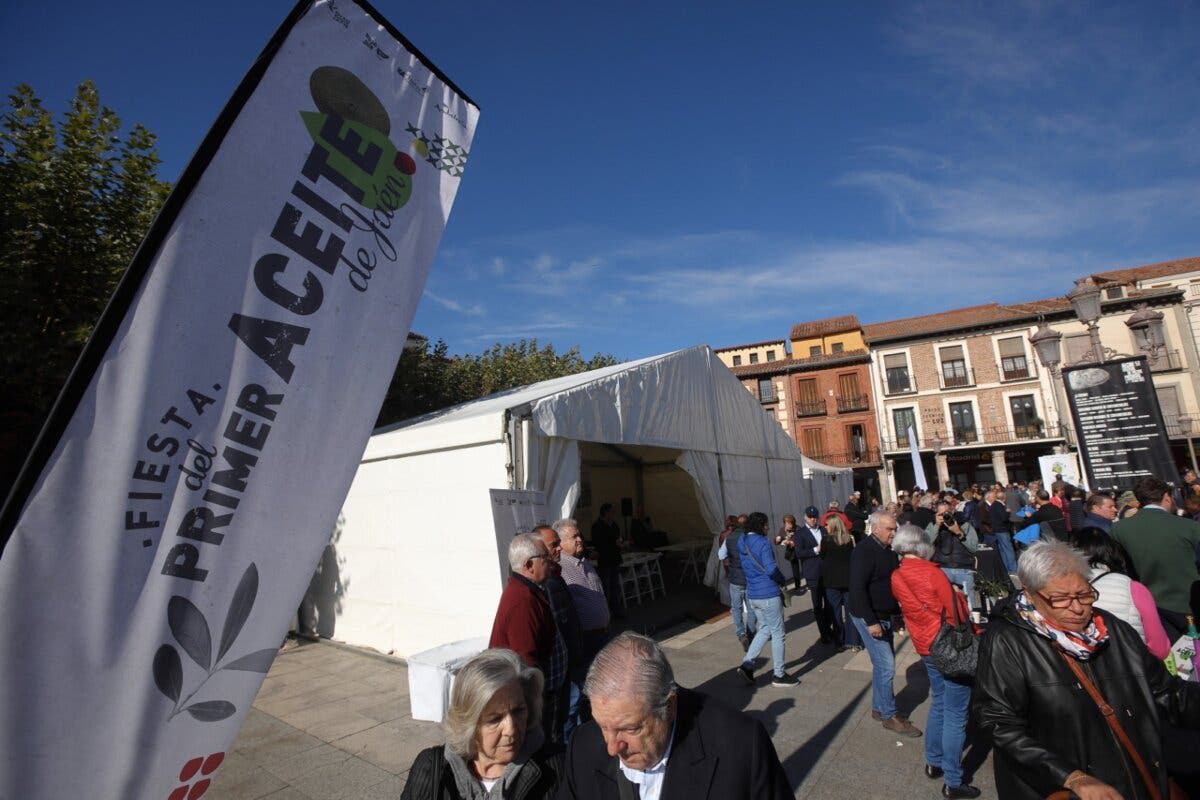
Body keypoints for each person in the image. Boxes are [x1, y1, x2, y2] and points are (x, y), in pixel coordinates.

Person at [973, 540, 1200, 800]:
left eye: (1084, 594)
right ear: (1030, 593)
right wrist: (1071, 777)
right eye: (1060, 599)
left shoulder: (1113, 630)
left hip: (1132, 782)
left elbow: (1167, 694)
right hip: (1067, 790)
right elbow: (997, 722)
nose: (1078, 607)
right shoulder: (1007, 640)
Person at [559, 632, 793, 800]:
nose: (612, 748)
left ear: (669, 707)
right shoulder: (583, 745)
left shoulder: (741, 745)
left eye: (630, 729)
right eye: (602, 725)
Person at [890, 525, 980, 799]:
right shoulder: (933, 572)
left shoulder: (897, 574)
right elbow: (955, 615)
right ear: (921, 545)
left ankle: (933, 761)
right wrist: (961, 597)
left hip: (924, 644)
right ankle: (953, 780)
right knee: (955, 711)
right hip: (948, 644)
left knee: (939, 701)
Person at [401, 648, 561, 800]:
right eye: (495, 719)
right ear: (468, 724)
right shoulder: (431, 769)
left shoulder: (558, 769)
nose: (511, 729)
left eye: (518, 711)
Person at [849, 510, 921, 736]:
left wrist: (896, 614)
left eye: (895, 528)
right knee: (887, 665)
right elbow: (857, 589)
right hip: (868, 616)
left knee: (882, 665)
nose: (894, 533)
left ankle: (879, 708)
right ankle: (890, 715)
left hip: (884, 615)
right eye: (890, 529)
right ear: (876, 528)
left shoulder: (889, 550)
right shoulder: (864, 551)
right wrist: (871, 622)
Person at [489, 533, 564, 745]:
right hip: (528, 699)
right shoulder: (523, 600)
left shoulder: (527, 591)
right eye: (545, 557)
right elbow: (526, 660)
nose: (550, 561)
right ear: (529, 565)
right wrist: (534, 707)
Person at [1071, 527, 1171, 660]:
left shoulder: (1064, 591)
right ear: (1112, 551)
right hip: (1134, 668)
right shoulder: (1132, 587)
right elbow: (1160, 650)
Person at [1112, 475, 1200, 622]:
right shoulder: (1190, 527)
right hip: (1190, 606)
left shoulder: (1119, 529)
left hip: (1149, 609)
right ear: (1166, 497)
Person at [554, 518, 610, 741]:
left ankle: (593, 734)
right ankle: (573, 744)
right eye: (573, 537)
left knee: (597, 691)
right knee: (576, 697)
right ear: (560, 542)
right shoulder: (561, 569)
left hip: (601, 637)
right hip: (584, 641)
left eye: (579, 534)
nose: (580, 539)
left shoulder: (584, 562)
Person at [734, 511, 799, 687]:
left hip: (753, 594)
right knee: (778, 633)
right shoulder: (763, 543)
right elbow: (771, 569)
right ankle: (779, 674)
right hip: (768, 594)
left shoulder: (742, 541)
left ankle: (747, 664)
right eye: (766, 524)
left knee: (764, 629)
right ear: (760, 525)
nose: (768, 527)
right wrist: (782, 579)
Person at [534, 525, 583, 743]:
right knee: (567, 715)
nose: (559, 548)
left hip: (572, 657)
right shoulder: (547, 583)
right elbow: (558, 625)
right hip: (564, 666)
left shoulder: (555, 575)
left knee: (575, 708)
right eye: (554, 545)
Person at [785, 506, 835, 643]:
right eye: (810, 517)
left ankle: (828, 627)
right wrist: (815, 549)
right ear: (805, 517)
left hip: (827, 571)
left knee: (831, 603)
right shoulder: (800, 534)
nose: (813, 520)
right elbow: (799, 553)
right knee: (817, 604)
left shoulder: (824, 530)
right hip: (813, 573)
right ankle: (824, 633)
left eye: (815, 517)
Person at [820, 514, 862, 651]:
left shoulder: (826, 540)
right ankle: (854, 641)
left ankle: (839, 641)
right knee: (851, 611)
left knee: (836, 612)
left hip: (832, 581)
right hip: (848, 579)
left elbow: (822, 556)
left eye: (827, 525)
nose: (825, 527)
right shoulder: (848, 539)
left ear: (832, 525)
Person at [928, 502, 979, 612]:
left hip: (964, 568)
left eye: (947, 513)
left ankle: (974, 620)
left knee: (972, 604)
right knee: (943, 604)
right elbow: (925, 544)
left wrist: (959, 532)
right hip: (942, 568)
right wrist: (936, 525)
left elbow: (974, 548)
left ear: (953, 511)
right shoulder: (934, 526)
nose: (945, 517)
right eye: (941, 514)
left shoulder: (965, 525)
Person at [719, 514, 757, 650]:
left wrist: (732, 557)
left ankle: (741, 633)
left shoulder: (729, 537)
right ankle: (751, 633)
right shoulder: (751, 538)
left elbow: (721, 555)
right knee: (751, 608)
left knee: (736, 607)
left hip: (735, 577)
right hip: (749, 578)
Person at [590, 504, 624, 616]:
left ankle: (617, 609)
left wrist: (620, 542)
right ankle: (606, 611)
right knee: (606, 586)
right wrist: (613, 543)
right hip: (605, 560)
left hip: (615, 559)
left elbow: (618, 538)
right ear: (606, 513)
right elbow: (598, 543)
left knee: (616, 586)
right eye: (612, 512)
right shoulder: (597, 526)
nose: (614, 514)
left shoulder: (614, 525)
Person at [985, 487, 1018, 574]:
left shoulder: (993, 505)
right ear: (1004, 498)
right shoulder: (999, 505)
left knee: (1003, 549)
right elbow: (1003, 518)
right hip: (1002, 529)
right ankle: (1013, 568)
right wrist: (1007, 512)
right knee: (1008, 549)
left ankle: (1006, 567)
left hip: (997, 530)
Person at [775, 514, 803, 592]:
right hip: (792, 552)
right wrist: (777, 540)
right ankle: (798, 585)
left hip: (800, 550)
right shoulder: (782, 530)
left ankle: (810, 583)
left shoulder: (798, 529)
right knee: (795, 569)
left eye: (791, 523)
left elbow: (802, 540)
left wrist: (793, 542)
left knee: (805, 566)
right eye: (787, 523)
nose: (789, 525)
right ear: (784, 523)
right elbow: (778, 541)